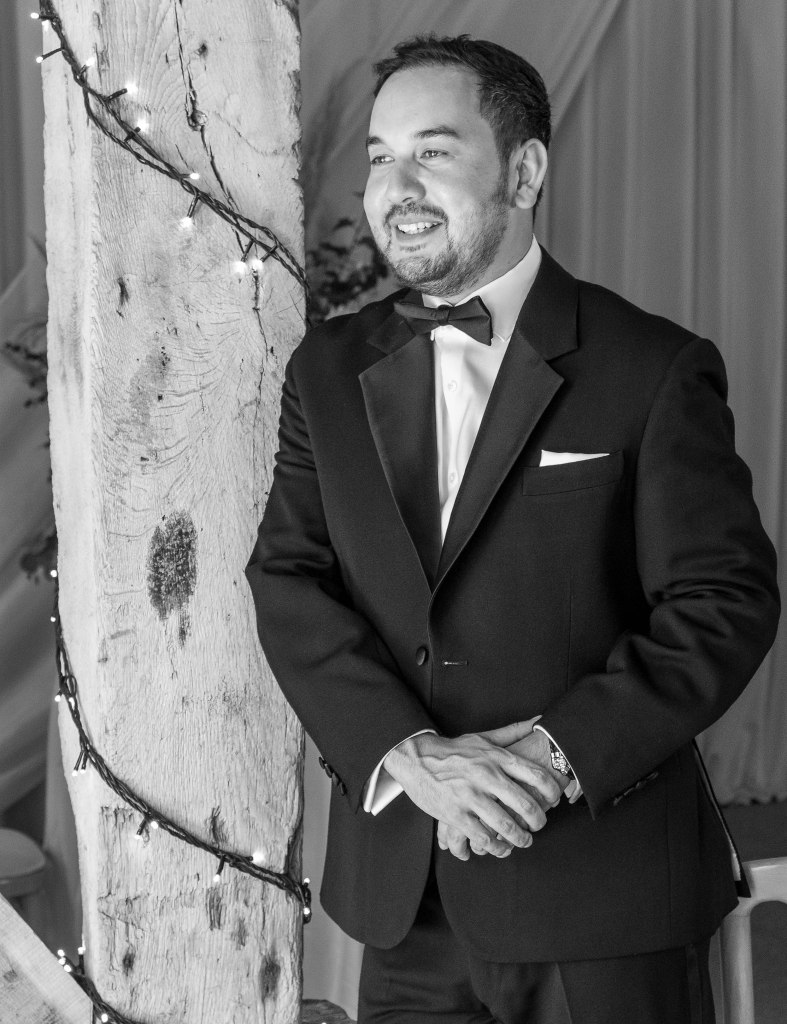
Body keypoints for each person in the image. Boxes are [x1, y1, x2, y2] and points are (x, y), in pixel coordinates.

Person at [245, 34, 780, 1024]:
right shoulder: (324, 370)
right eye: (380, 156)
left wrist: (543, 761)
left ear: (524, 172)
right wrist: (410, 755)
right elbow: (288, 580)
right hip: (407, 898)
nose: (396, 186)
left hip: (605, 894)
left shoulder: (653, 367)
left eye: (433, 151)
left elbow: (723, 602)